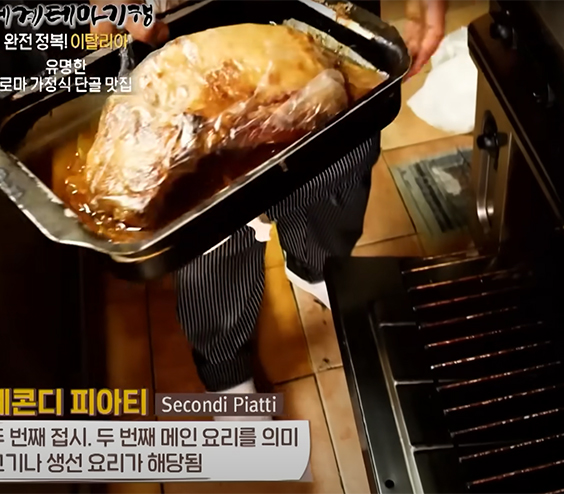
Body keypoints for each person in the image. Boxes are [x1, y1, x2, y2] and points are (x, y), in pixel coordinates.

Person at [93, 0, 448, 419]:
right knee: (211, 224)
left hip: (324, 11)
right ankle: (225, 362)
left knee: (338, 158)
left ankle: (316, 267)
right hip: (189, 28)